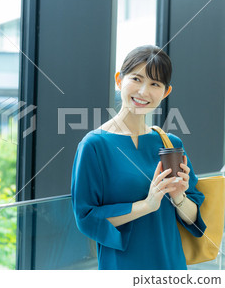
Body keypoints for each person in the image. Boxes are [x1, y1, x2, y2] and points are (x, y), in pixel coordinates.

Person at [70, 45, 206, 270]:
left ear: (166, 92)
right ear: (119, 80)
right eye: (136, 78)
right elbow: (87, 217)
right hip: (123, 266)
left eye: (155, 84)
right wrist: (147, 205)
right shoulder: (94, 145)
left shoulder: (171, 144)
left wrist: (179, 196)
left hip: (172, 265)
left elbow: (193, 218)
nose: (143, 92)